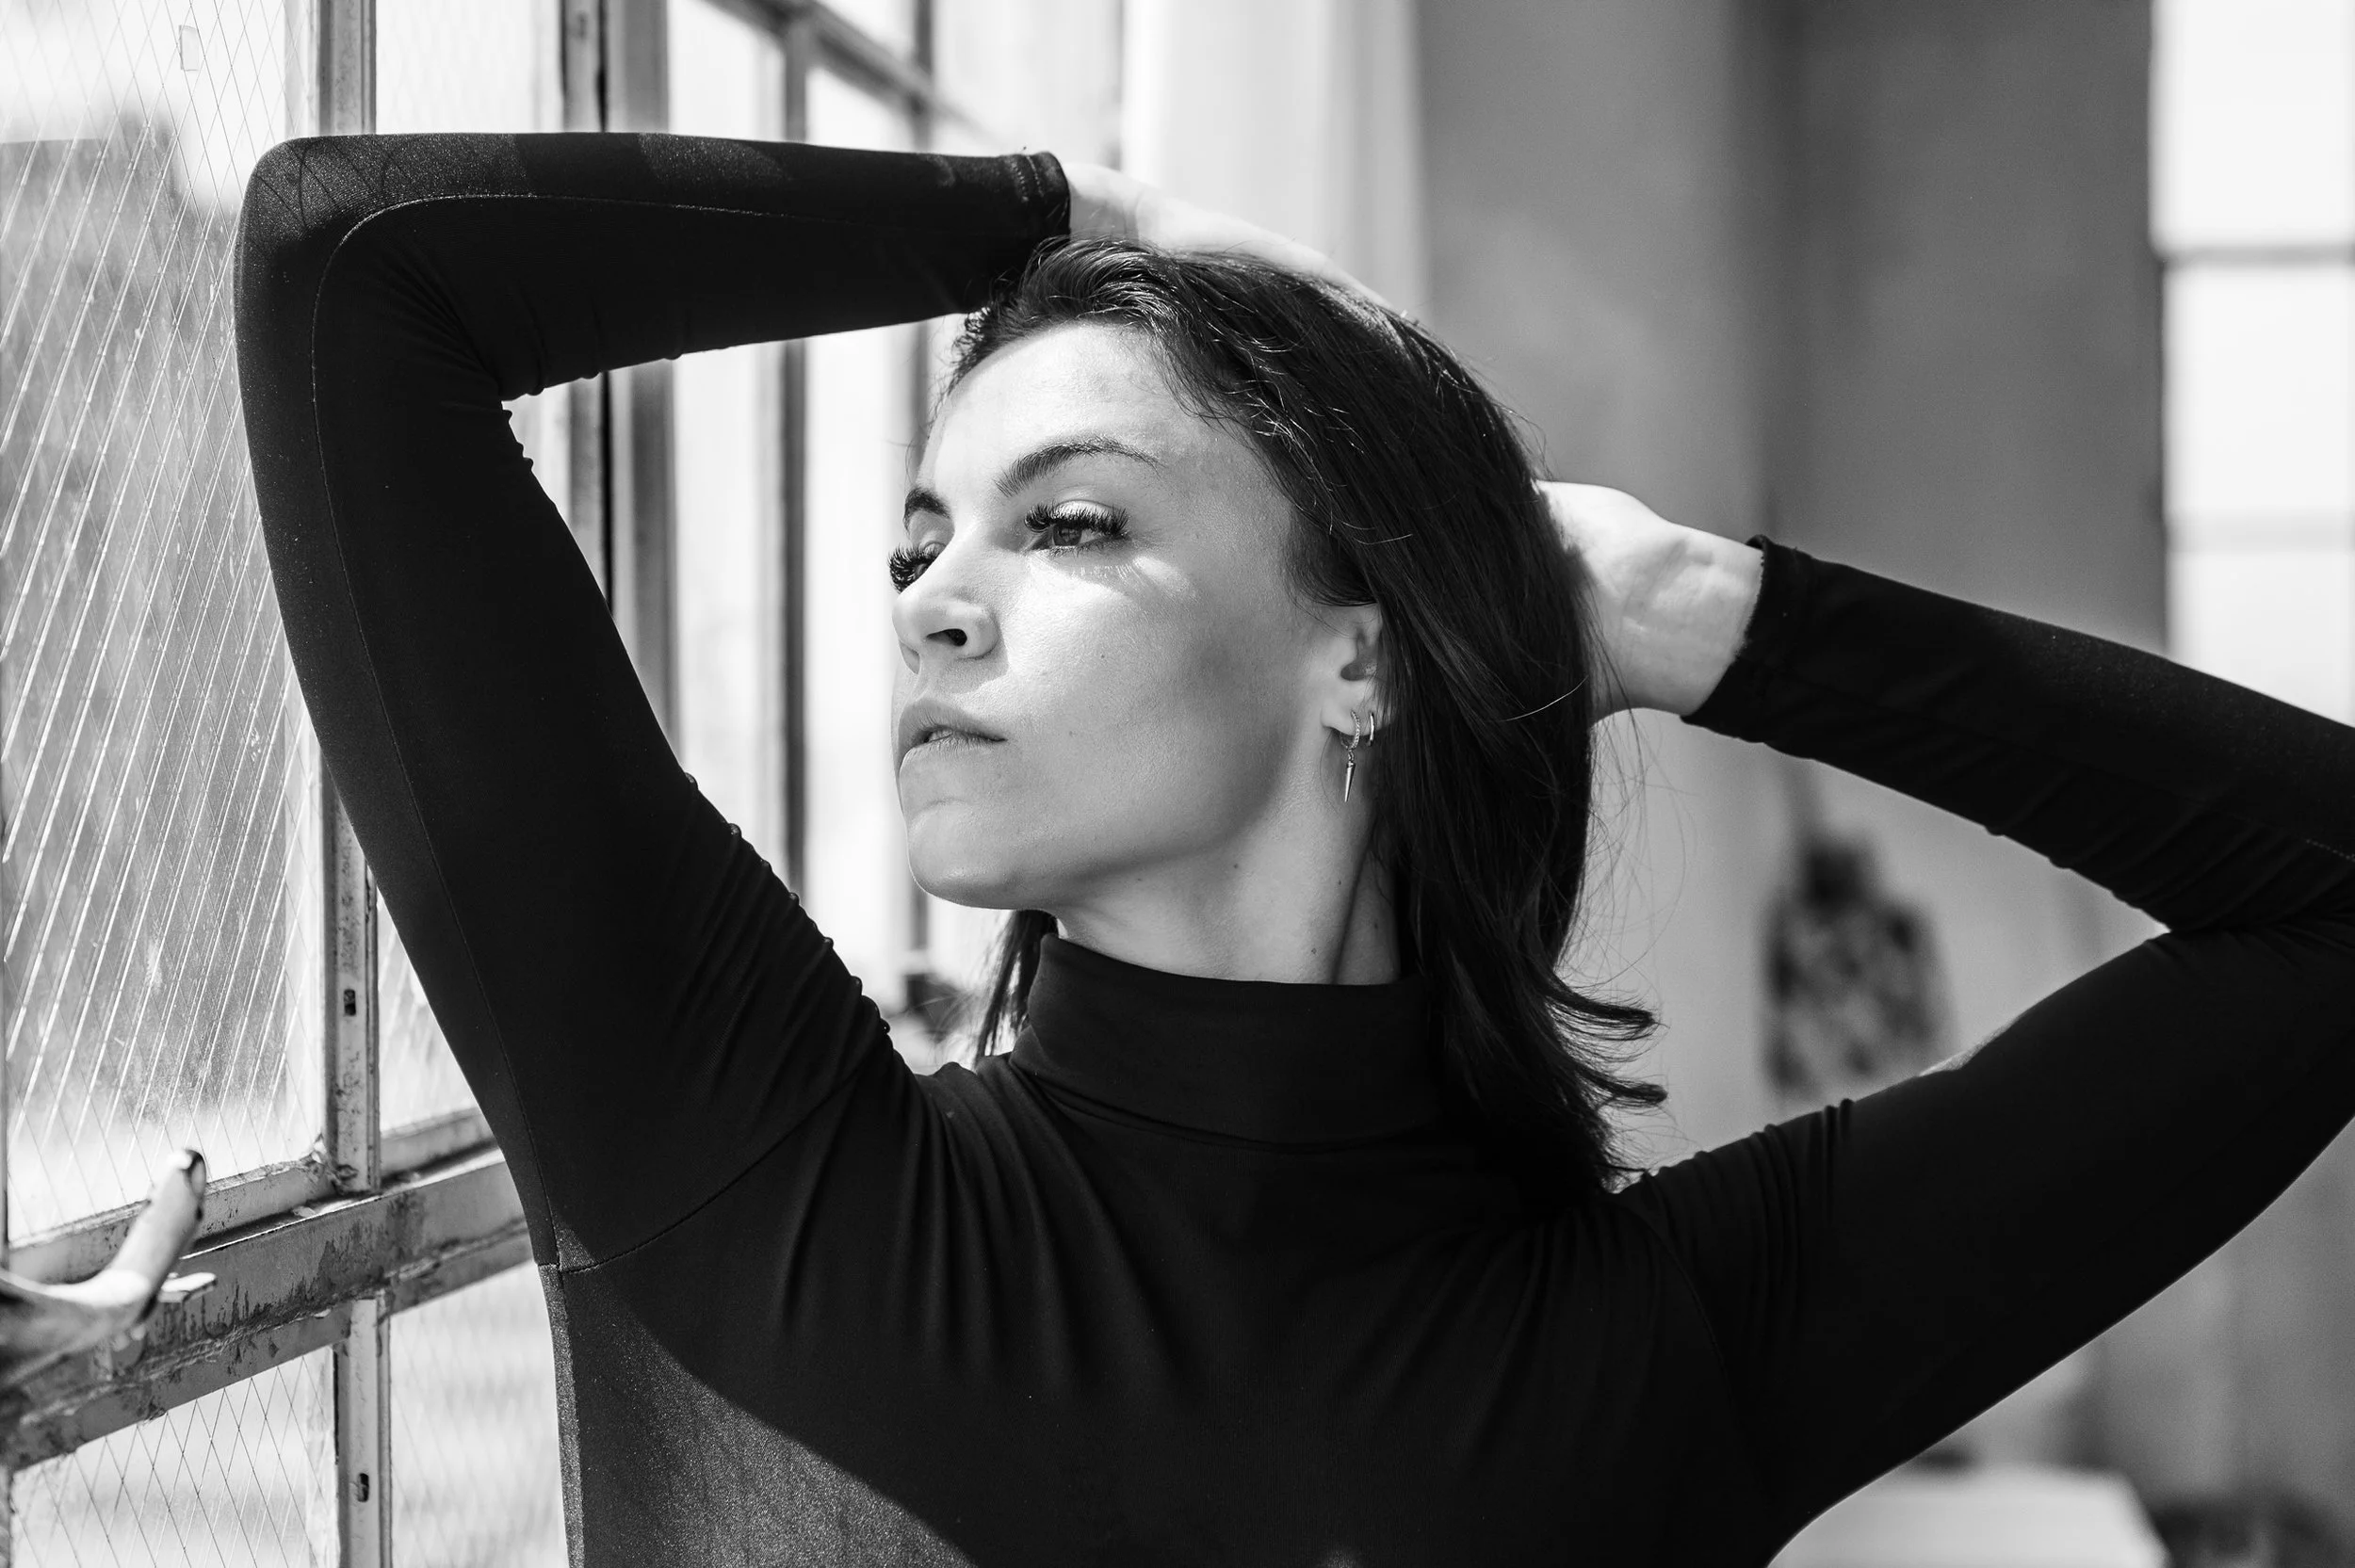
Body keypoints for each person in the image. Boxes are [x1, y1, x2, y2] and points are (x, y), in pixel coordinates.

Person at [234, 132, 2355, 1566]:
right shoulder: (748, 1152)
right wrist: (1062, 214)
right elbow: (349, 269)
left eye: (1067, 520)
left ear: (1359, 660)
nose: (930, 600)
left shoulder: (1673, 1341)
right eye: (917, 536)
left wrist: (1705, 616)